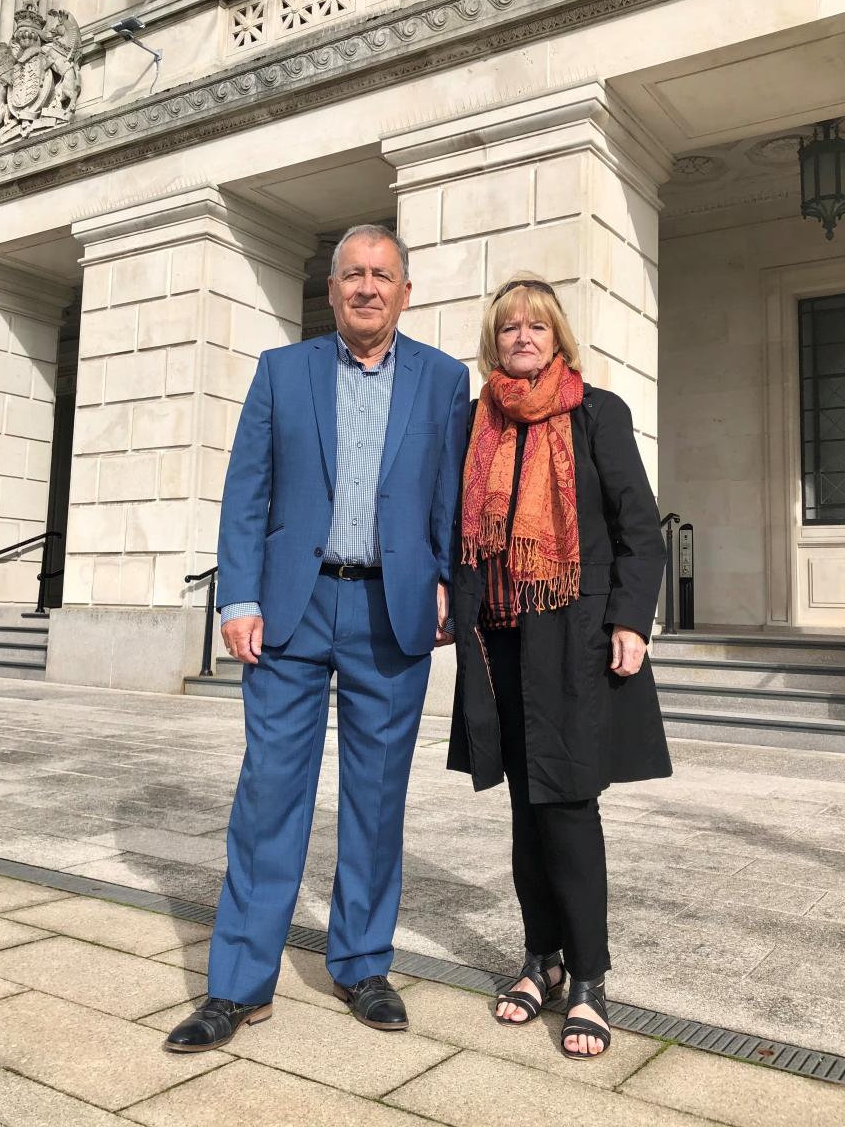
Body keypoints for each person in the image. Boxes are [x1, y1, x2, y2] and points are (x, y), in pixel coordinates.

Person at [166, 224, 469, 1051]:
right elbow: (245, 493)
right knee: (268, 797)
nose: (367, 288)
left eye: (383, 276)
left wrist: (445, 579)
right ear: (331, 290)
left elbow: (449, 496)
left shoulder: (445, 380)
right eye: (352, 276)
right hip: (291, 612)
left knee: (376, 800)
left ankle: (363, 964)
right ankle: (236, 985)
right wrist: (238, 598)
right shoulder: (282, 370)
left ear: (407, 292)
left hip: (389, 612)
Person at [447, 274, 670, 1059]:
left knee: (569, 805)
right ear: (495, 340)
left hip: (574, 638)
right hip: (498, 639)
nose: (522, 337)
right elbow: (456, 524)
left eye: (536, 326)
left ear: (558, 337)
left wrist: (630, 622)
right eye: (509, 327)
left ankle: (589, 980)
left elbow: (640, 529)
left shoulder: (597, 414)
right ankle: (538, 959)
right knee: (522, 807)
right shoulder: (473, 422)